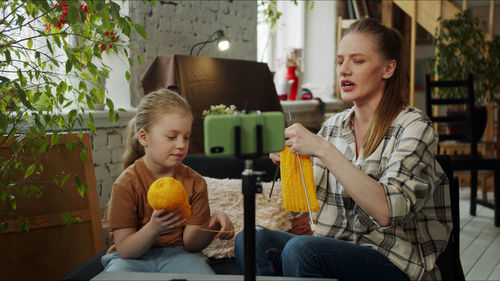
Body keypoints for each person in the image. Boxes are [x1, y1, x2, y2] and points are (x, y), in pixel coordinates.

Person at [234, 18, 452, 281]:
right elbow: (309, 203)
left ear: (388, 68)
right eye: (340, 62)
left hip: (394, 260)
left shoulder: (414, 127)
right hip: (335, 247)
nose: (344, 70)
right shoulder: (335, 126)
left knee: (302, 250)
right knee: (250, 239)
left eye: (357, 61)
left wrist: (323, 149)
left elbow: (386, 211)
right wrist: (292, 164)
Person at [101, 89, 234, 274]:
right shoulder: (126, 184)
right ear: (144, 137)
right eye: (172, 137)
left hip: (179, 255)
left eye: (186, 137)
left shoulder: (195, 183)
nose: (181, 144)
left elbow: (191, 244)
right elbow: (125, 249)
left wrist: (211, 224)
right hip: (131, 260)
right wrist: (154, 227)